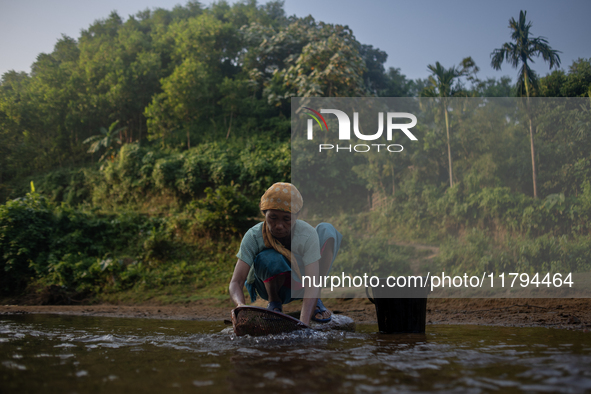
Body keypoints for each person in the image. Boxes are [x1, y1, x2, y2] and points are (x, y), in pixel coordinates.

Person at [228, 182, 342, 326]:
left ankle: (316, 301)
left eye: (287, 219)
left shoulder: (307, 234)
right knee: (268, 257)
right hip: (269, 286)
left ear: (297, 216)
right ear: (264, 214)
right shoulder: (253, 236)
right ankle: (274, 303)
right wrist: (240, 307)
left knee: (327, 230)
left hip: (302, 285)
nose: (279, 225)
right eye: (273, 218)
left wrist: (304, 325)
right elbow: (236, 282)